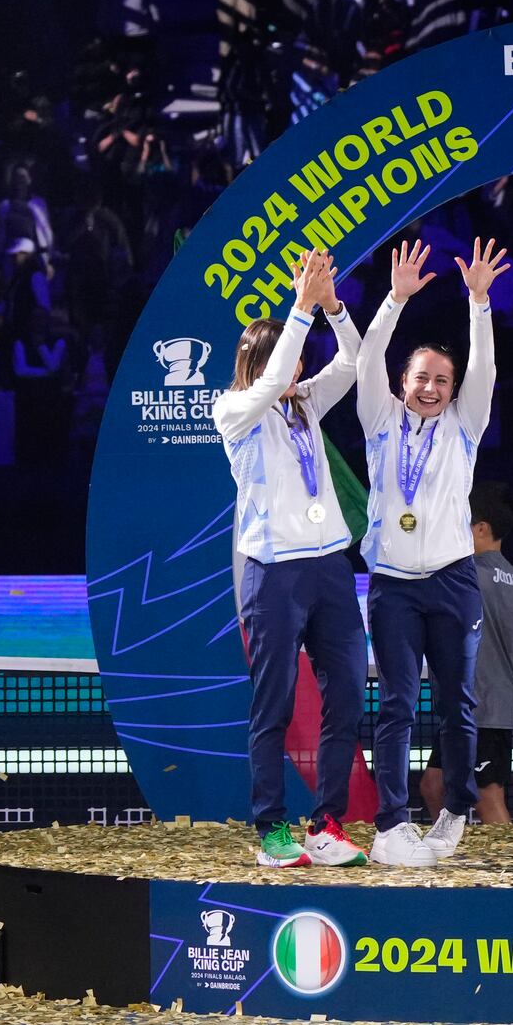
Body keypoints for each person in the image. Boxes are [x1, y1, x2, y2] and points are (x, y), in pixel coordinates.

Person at [211, 247, 369, 870]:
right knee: (272, 703)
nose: (298, 369)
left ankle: (326, 823)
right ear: (254, 362)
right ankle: (272, 829)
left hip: (330, 566)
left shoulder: (302, 402)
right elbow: (273, 380)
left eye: (300, 357)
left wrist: (331, 307)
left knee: (348, 695)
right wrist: (300, 306)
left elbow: (353, 363)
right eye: (287, 356)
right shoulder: (234, 410)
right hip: (273, 572)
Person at [357, 237, 506, 867]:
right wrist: (393, 300)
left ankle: (456, 813)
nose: (432, 388)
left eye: (442, 380)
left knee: (457, 702)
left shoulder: (464, 427)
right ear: (402, 382)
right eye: (422, 378)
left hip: (450, 581)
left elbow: (488, 372)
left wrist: (479, 303)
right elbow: (365, 360)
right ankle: (391, 824)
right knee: (396, 703)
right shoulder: (380, 419)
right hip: (391, 583)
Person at [419, 481, 513, 826]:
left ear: (481, 528)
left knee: (487, 796)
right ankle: (452, 851)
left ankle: (508, 871)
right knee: (434, 785)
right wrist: (504, 645)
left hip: (486, 709)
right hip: (471, 706)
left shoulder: (466, 572)